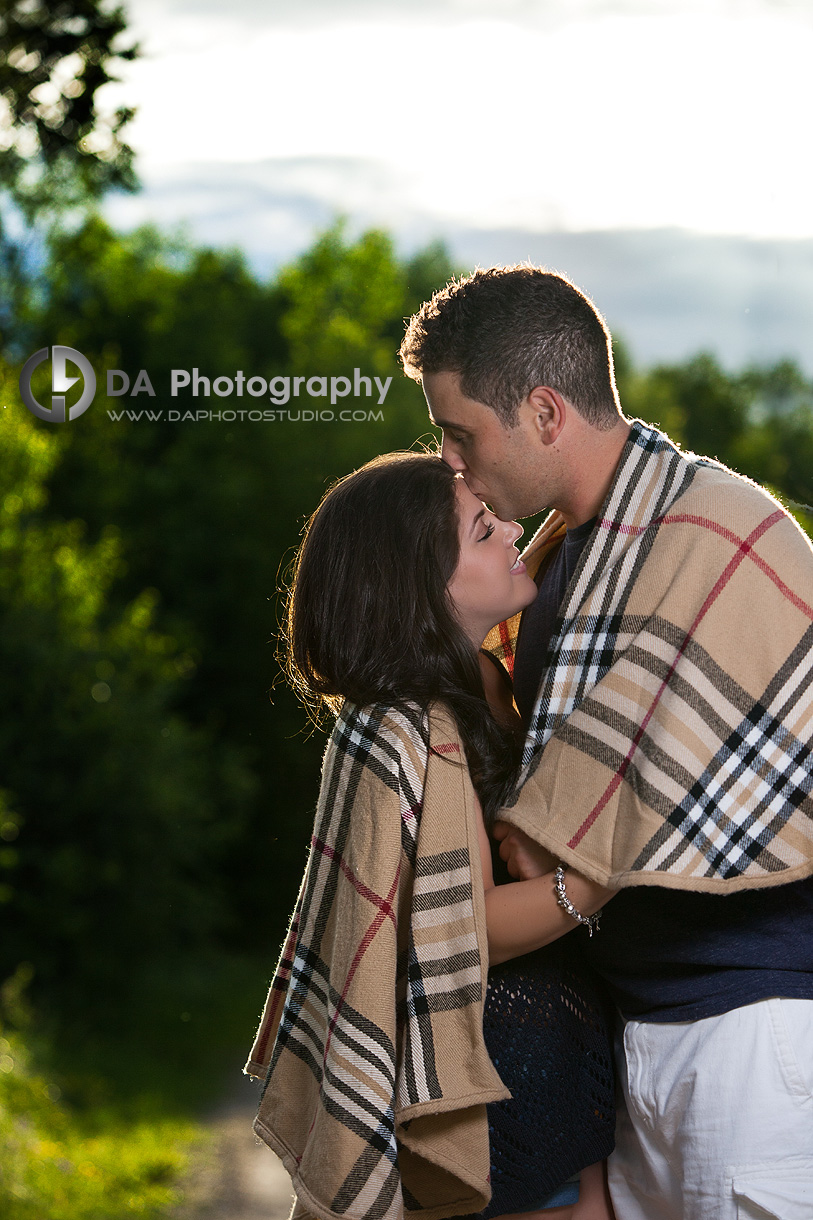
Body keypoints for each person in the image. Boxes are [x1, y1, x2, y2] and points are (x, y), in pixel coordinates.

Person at [399, 265, 813, 1220]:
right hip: (632, 1032)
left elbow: (553, 833)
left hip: (749, 1037)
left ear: (545, 411)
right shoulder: (557, 564)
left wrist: (557, 848)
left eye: (462, 434)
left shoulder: (719, 538)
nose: (454, 464)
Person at [245, 452, 617, 1220]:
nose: (512, 529)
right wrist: (601, 876)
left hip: (554, 1076)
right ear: (424, 588)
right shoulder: (404, 727)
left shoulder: (479, 681)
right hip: (487, 1093)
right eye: (484, 531)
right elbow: (463, 927)